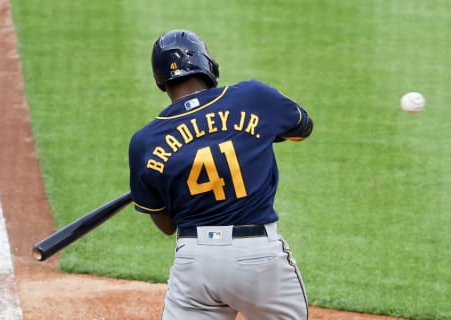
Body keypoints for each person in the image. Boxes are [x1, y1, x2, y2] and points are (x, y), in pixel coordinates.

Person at [129, 29, 314, 320]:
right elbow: (302, 129)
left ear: (160, 80)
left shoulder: (145, 142)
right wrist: (254, 135)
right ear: (206, 63)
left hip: (194, 261)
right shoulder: (253, 96)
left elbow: (165, 225)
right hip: (258, 256)